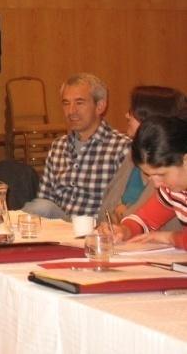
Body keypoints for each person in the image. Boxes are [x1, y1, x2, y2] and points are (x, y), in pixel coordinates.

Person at [22, 73, 129, 220]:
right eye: (66, 103)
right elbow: (45, 198)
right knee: (40, 207)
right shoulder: (58, 147)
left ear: (100, 106)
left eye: (79, 103)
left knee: (41, 208)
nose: (71, 111)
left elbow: (123, 207)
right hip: (58, 226)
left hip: (95, 227)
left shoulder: (121, 148)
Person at [97, 86, 185, 223]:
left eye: (132, 112)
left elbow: (152, 221)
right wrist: (122, 224)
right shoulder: (135, 154)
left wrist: (124, 221)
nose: (127, 115)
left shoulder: (171, 172)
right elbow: (108, 207)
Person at [106, 116, 187, 249]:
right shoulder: (172, 190)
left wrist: (170, 237)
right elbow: (145, 219)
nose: (156, 184)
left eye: (161, 174)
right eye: (149, 175)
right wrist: (124, 230)